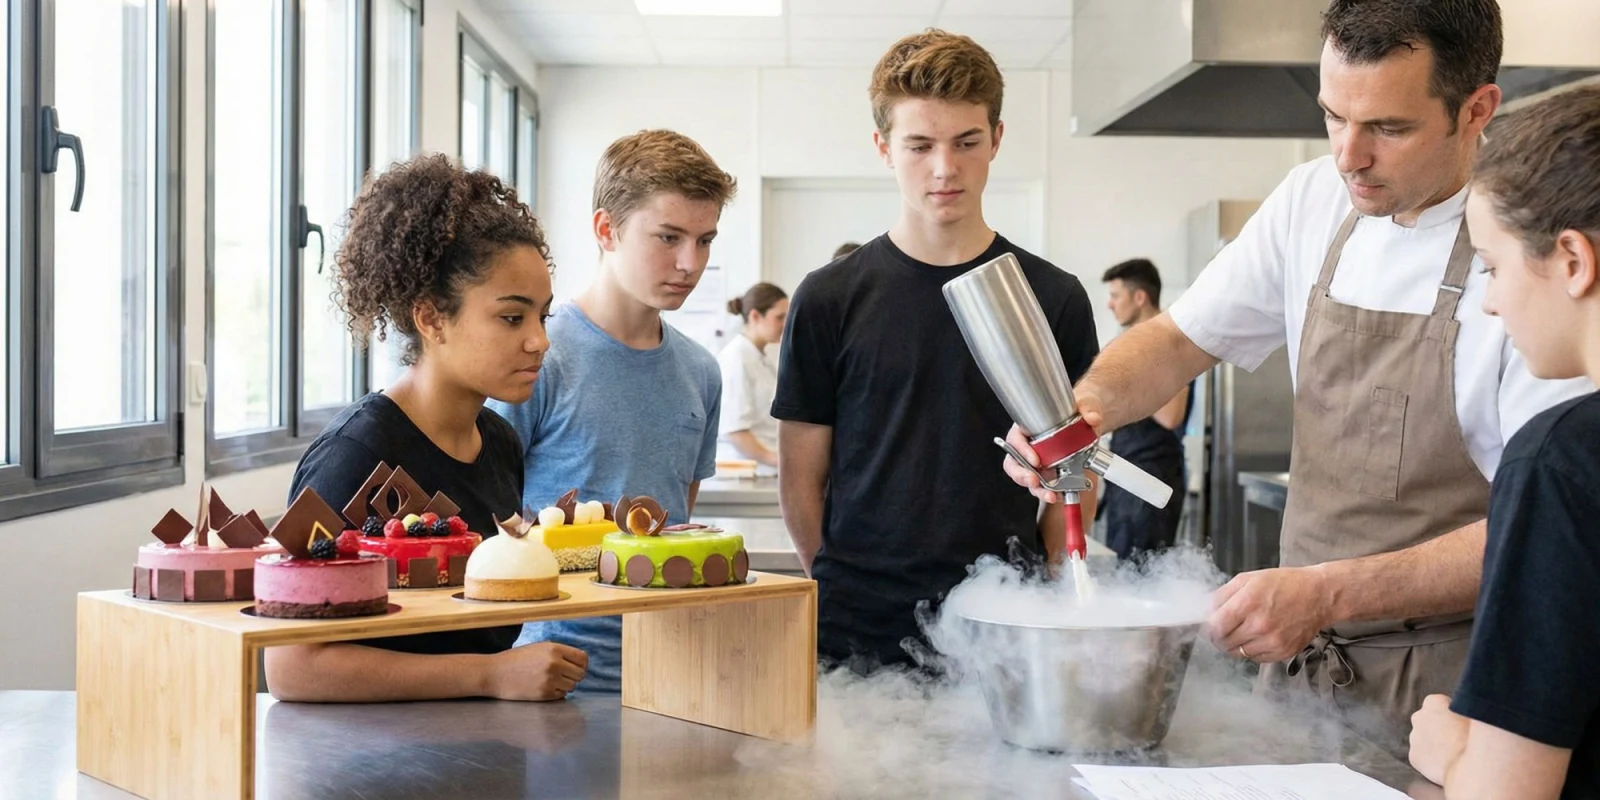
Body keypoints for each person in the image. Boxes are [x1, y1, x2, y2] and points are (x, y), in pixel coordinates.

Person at [1002, 0, 1591, 751]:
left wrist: (1326, 590)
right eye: (1332, 116)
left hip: (1453, 691)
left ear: (1476, 110)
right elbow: (1181, 341)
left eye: (1388, 127)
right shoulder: (1313, 200)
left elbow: (1542, 530)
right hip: (1301, 671)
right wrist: (1076, 423)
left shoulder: (1525, 258)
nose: (1349, 154)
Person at [774, 30, 1099, 672]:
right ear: (883, 148)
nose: (944, 168)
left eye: (966, 142)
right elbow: (800, 478)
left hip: (1006, 622)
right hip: (856, 633)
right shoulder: (828, 298)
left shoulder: (1053, 297)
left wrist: (1045, 593)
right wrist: (843, 584)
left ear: (996, 140)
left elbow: (1076, 473)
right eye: (919, 145)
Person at [267, 154, 588, 703]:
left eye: (543, 316)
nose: (539, 341)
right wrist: (488, 676)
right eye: (513, 318)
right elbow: (293, 665)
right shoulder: (355, 454)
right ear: (432, 318)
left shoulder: (500, 443)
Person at [489, 129, 736, 693]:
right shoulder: (537, 357)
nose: (689, 262)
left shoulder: (702, 372)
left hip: (677, 673)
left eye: (704, 241)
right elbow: (489, 525)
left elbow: (675, 526)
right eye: (668, 237)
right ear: (607, 229)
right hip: (554, 677)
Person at [1407, 85, 1600, 800]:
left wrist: (1452, 752)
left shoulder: (1561, 460)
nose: (1490, 300)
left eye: (1492, 267)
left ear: (1572, 260)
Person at [1099, 258, 1190, 561]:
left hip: (1152, 477)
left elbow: (1170, 415)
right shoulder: (1129, 343)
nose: (1110, 304)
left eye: (1116, 296)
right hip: (1124, 472)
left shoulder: (1169, 341)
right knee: (1123, 572)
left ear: (1139, 297)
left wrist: (1124, 370)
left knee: (1142, 577)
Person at [718, 282, 788, 470]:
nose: (785, 324)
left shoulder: (763, 356)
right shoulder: (737, 358)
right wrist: (779, 462)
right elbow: (735, 430)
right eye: (779, 317)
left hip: (767, 468)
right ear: (755, 316)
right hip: (748, 471)